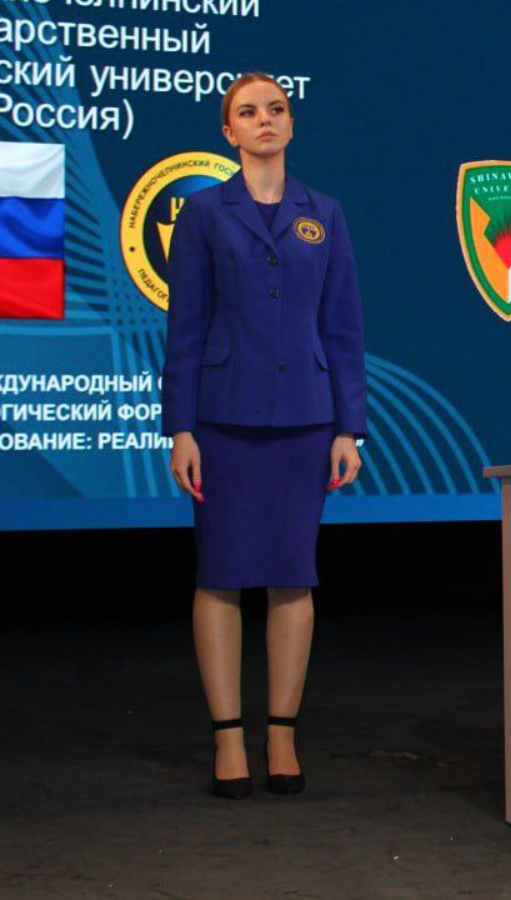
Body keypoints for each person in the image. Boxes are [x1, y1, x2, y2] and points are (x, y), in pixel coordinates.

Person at [161, 73, 365, 798]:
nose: (264, 120)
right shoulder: (203, 212)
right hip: (221, 419)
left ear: (290, 123)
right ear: (230, 133)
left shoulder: (325, 214)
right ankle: (227, 738)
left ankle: (281, 734)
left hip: (306, 419)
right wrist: (180, 427)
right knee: (220, 573)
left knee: (292, 573)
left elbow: (343, 327)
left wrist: (349, 427)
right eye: (248, 112)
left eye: (276, 109)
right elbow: (185, 326)